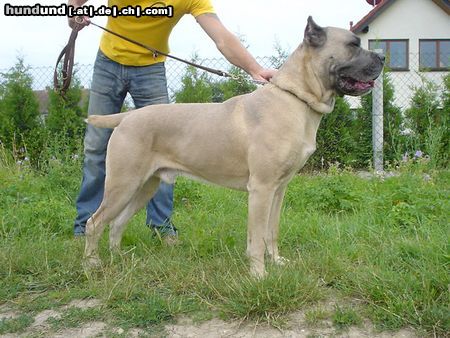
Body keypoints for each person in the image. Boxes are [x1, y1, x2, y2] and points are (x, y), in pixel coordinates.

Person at [69, 0, 276, 239]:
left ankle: (161, 226)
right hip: (108, 62)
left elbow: (221, 37)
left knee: (168, 149)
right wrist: (74, 9)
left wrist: (254, 69)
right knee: (95, 147)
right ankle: (84, 225)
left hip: (151, 68)